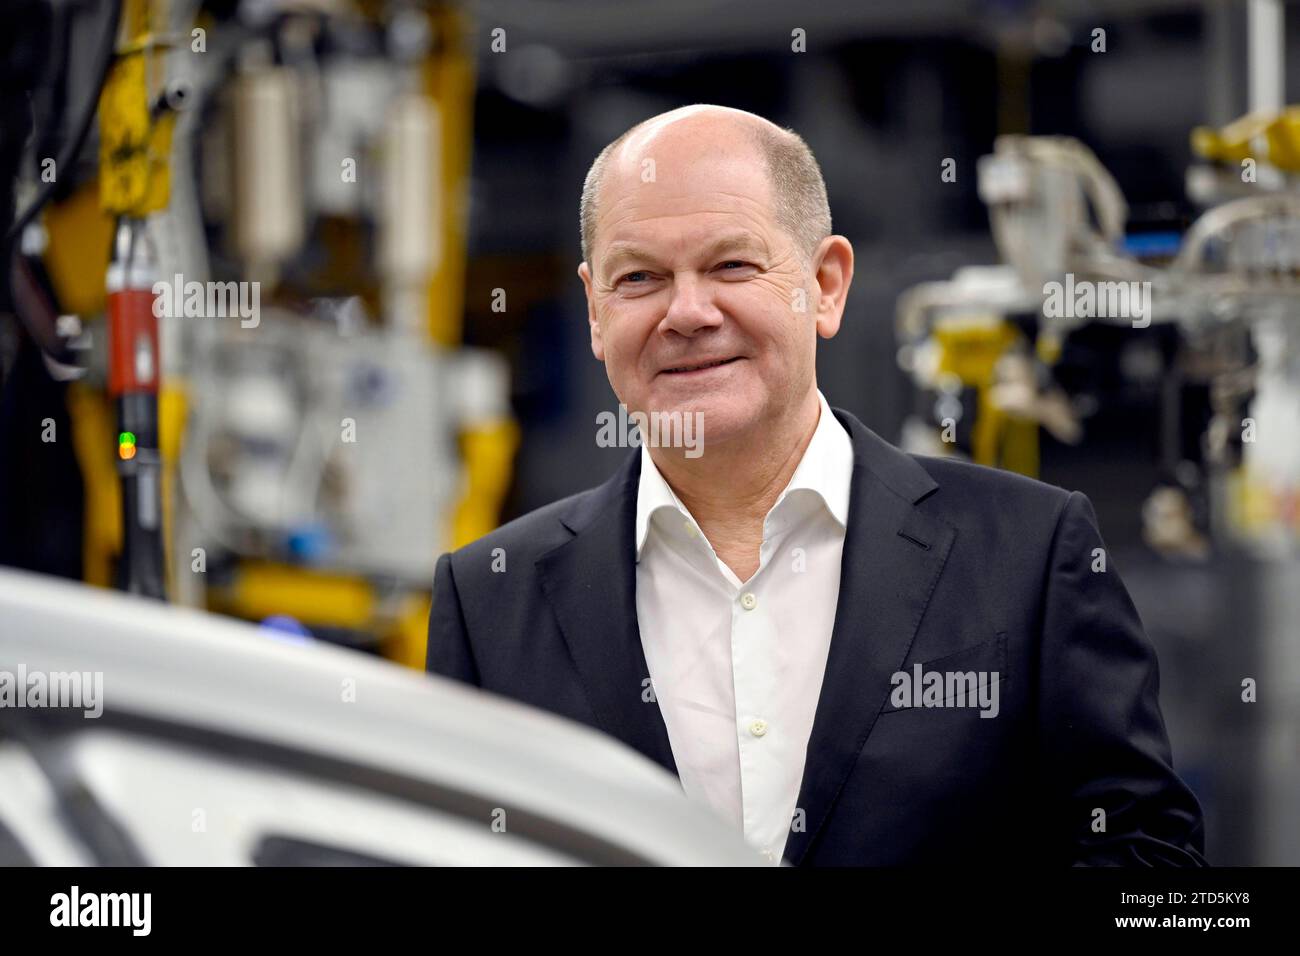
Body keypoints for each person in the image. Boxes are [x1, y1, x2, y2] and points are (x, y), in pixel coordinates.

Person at [427, 104, 1207, 867]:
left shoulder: (1028, 555)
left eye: (732, 264)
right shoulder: (491, 599)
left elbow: (1151, 867)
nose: (687, 312)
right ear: (597, 313)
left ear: (825, 285)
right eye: (640, 278)